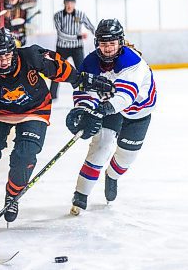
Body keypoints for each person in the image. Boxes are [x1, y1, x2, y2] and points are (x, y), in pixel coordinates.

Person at [0, 28, 114, 226]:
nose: (3, 62)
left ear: (13, 51)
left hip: (34, 109)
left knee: (25, 154)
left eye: (6, 55)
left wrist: (80, 79)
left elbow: (58, 67)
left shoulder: (30, 56)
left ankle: (12, 197)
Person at [66, 19, 157, 215]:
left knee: (125, 158)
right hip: (110, 109)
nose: (107, 48)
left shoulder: (132, 61)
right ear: (97, 43)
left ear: (120, 43)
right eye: (103, 43)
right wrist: (84, 110)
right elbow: (83, 91)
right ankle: (80, 195)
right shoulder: (90, 62)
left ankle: (112, 176)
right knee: (100, 146)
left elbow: (125, 96)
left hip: (137, 112)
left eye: (112, 44)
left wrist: (99, 110)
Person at [51, 0, 95, 99]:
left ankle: (84, 92)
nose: (69, 5)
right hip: (62, 47)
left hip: (77, 48)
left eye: (71, 2)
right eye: (67, 2)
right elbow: (61, 35)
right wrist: (78, 37)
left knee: (82, 70)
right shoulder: (58, 16)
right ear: (64, 3)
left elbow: (91, 27)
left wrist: (100, 37)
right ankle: (52, 95)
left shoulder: (80, 15)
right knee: (57, 69)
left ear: (75, 3)